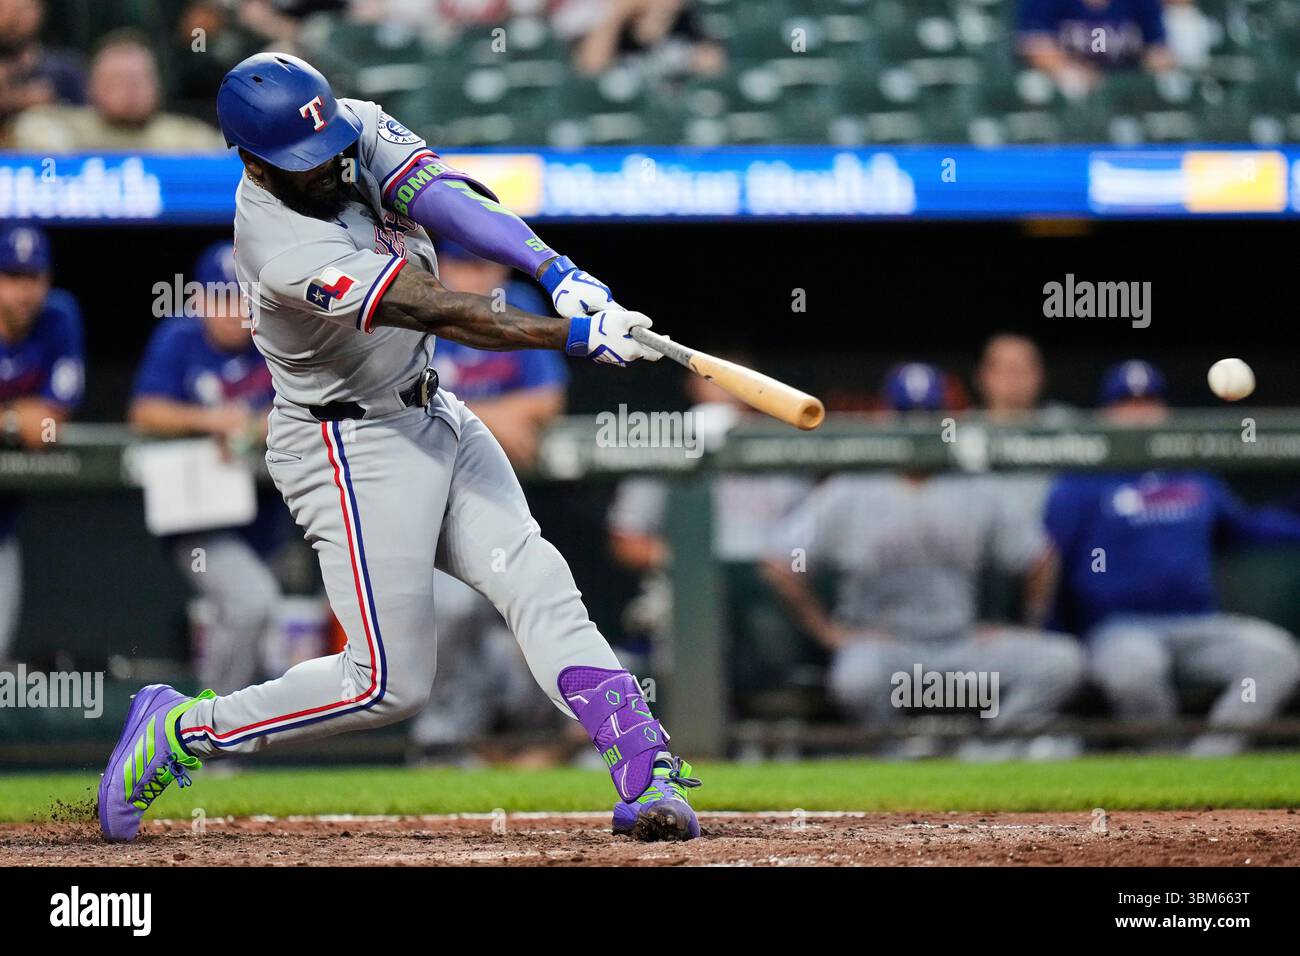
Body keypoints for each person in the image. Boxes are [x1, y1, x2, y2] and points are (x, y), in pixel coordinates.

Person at [98, 53, 701, 844]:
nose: (330, 167)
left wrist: (557, 269)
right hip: (348, 444)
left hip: (431, 407)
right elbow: (436, 309)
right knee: (384, 685)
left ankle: (642, 766)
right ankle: (182, 731)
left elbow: (445, 199)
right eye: (303, 164)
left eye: (330, 148)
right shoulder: (278, 245)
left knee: (534, 574)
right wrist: (573, 335)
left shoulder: (345, 123)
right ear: (252, 161)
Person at [762, 363, 1085, 756]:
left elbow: (1040, 557)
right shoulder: (851, 487)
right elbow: (779, 562)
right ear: (886, 419)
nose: (917, 426)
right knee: (855, 678)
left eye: (927, 416)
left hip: (959, 648)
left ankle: (988, 755)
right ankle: (897, 757)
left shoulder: (975, 486)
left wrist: (1026, 625)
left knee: (1060, 661)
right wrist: (830, 633)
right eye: (906, 416)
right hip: (887, 651)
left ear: (946, 421)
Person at [1041, 360, 1300, 756]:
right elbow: (1053, 562)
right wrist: (1058, 635)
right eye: (1126, 403)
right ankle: (1163, 762)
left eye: (1149, 401)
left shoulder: (1192, 475)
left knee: (1277, 656)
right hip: (1120, 630)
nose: (1140, 412)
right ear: (1106, 414)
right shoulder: (1082, 482)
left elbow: (1246, 529)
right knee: (1136, 672)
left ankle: (1209, 761)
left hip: (1198, 625)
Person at [409, 239, 570, 761]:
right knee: (451, 611)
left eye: (485, 264)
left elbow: (546, 400)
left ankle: (538, 739)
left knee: (533, 603)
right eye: (463, 264)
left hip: (501, 498)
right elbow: (405, 403)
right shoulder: (418, 305)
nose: (477, 278)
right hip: (424, 503)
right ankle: (441, 742)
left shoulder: (516, 303)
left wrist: (463, 409)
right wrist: (494, 416)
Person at [128, 242, 286, 695]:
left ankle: (211, 738)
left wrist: (259, 423)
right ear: (197, 299)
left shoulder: (278, 339)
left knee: (249, 624)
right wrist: (210, 420)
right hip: (198, 515)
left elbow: (317, 408)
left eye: (241, 296)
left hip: (264, 516)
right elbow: (144, 412)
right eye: (220, 297)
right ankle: (205, 733)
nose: (232, 309)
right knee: (252, 600)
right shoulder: (180, 338)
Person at [608, 369, 812, 696]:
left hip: (765, 585)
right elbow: (625, 540)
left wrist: (787, 565)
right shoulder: (666, 445)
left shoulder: (775, 446)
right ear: (691, 385)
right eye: (710, 376)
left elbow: (807, 541)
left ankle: (773, 721)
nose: (724, 385)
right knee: (677, 617)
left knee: (772, 627)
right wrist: (682, 557)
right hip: (686, 583)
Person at [0, 223, 84, 662]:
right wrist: (17, 416)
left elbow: (51, 419)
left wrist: (9, 418)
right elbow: (31, 419)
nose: (24, 291)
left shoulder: (59, 316)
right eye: (12, 277)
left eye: (33, 278)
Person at [12, 29, 225, 152]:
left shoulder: (187, 138)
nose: (129, 90)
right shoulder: (64, 128)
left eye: (138, 80)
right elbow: (31, 131)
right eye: (117, 80)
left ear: (158, 85)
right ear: (92, 87)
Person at [1016, 0, 1176, 99]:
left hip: (1126, 92)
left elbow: (1158, 49)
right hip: (1066, 89)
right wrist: (1068, 71)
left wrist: (1141, 78)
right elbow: (1035, 43)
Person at [0, 0, 85, 138]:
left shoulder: (63, 71)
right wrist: (17, 100)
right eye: (4, 8)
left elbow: (89, 123)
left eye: (21, 9)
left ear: (39, 12)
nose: (12, 17)